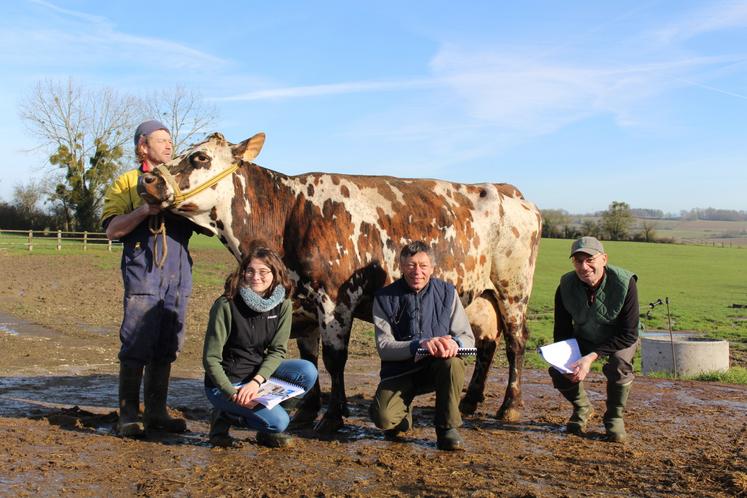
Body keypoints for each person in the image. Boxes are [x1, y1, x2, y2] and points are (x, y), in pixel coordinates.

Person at [102, 120, 199, 437]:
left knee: (169, 340)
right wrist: (145, 210)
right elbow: (112, 229)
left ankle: (157, 412)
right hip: (143, 268)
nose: (169, 145)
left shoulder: (184, 181)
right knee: (136, 339)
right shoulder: (127, 182)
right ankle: (128, 415)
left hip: (179, 270)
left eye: (170, 140)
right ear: (143, 145)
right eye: (162, 139)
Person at [203, 243, 318, 448]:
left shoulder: (282, 304)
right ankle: (226, 414)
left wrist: (256, 382)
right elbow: (211, 359)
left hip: (255, 377)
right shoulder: (226, 305)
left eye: (264, 271)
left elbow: (278, 350)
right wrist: (232, 393)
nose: (256, 277)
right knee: (280, 422)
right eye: (250, 271)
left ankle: (266, 431)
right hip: (226, 384)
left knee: (307, 371)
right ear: (243, 272)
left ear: (276, 274)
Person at [369, 241, 475, 451]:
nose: (417, 271)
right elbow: (384, 346)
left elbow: (467, 337)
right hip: (399, 372)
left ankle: (447, 429)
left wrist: (456, 343)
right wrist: (418, 345)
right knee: (384, 419)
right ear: (401, 266)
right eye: (411, 265)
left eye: (423, 265)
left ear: (432, 268)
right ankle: (402, 412)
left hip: (436, 368)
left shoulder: (448, 293)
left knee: (453, 363)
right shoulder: (383, 298)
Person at [550, 236, 640, 443]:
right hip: (585, 336)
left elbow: (629, 333)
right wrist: (566, 358)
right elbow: (562, 331)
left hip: (619, 339)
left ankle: (614, 418)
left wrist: (590, 357)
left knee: (619, 364)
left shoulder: (625, 283)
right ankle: (582, 408)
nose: (584, 267)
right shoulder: (565, 285)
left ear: (604, 259)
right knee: (558, 367)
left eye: (590, 259)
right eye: (578, 261)